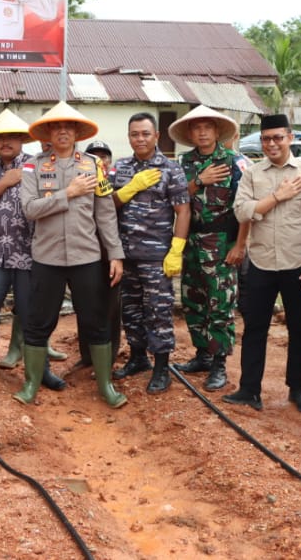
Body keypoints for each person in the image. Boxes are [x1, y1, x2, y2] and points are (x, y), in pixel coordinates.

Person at [17, 102, 128, 409]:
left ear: (78, 133)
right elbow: (29, 210)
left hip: (87, 258)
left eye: (69, 127)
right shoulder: (33, 166)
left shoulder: (95, 166)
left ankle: (105, 385)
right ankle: (31, 384)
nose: (63, 131)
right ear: (48, 133)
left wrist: (115, 255)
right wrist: (68, 192)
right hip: (47, 258)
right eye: (56, 127)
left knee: (96, 321)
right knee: (39, 322)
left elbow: (105, 214)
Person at [224, 114, 301, 413]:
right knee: (255, 328)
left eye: (278, 137)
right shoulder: (253, 174)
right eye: (266, 139)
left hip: (299, 264)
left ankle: (298, 389)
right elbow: (242, 212)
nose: (272, 144)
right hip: (261, 263)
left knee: (299, 329)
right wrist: (277, 196)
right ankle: (249, 389)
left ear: (290, 137)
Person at [0, 110, 66, 391]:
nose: (5, 142)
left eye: (11, 137)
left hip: (31, 253)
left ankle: (40, 368)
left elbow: (51, 202)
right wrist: (3, 183)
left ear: (22, 139)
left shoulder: (37, 166)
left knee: (34, 313)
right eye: (0, 138)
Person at [169, 105, 250, 392]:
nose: (202, 132)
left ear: (217, 131)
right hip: (191, 243)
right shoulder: (183, 163)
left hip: (221, 245)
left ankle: (219, 364)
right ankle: (202, 355)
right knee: (193, 302)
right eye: (196, 127)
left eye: (207, 127)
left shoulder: (235, 162)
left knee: (220, 306)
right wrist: (199, 181)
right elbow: (175, 197)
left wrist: (240, 245)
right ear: (190, 133)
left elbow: (245, 208)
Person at [110, 113, 190, 394]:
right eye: (134, 134)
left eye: (145, 133)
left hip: (157, 254)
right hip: (126, 253)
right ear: (129, 137)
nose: (140, 139)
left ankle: (161, 368)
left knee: (158, 312)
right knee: (130, 309)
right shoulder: (120, 168)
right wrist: (129, 188)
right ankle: (137, 357)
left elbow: (183, 210)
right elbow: (109, 205)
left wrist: (176, 249)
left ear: (156, 136)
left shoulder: (171, 169)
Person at [67, 139, 119, 375]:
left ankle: (107, 359)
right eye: (94, 156)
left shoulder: (116, 178)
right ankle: (87, 355)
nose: (100, 160)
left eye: (104, 156)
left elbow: (111, 210)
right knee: (84, 305)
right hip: (84, 252)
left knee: (110, 307)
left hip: (109, 253)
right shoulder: (79, 180)